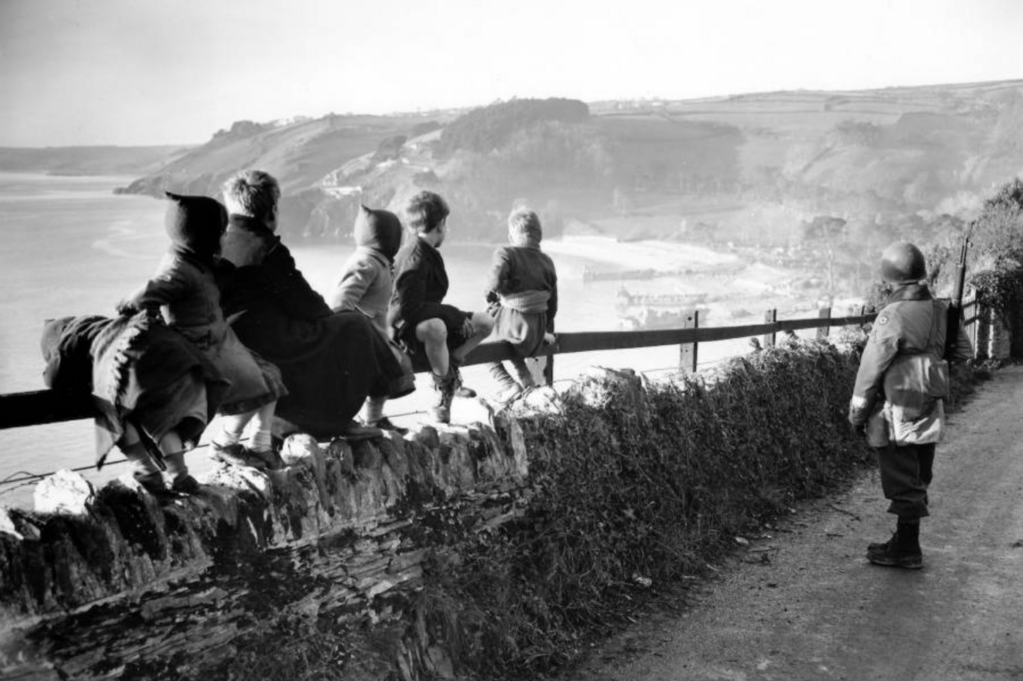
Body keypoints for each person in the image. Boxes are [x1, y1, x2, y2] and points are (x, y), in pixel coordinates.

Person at [216, 170, 411, 440]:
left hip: (236, 344)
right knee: (354, 325)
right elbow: (309, 306)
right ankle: (344, 417)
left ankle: (320, 419)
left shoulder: (217, 244)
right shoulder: (268, 249)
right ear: (272, 211)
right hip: (274, 346)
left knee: (341, 328)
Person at [120, 192, 286, 472]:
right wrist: (158, 333)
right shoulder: (178, 270)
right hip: (202, 349)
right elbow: (136, 302)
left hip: (220, 341)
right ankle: (225, 443)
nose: (224, 237)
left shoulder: (193, 260)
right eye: (220, 232)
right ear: (204, 236)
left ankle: (260, 444)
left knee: (271, 376)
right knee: (255, 386)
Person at [848, 241, 973, 569]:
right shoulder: (940, 310)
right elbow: (963, 353)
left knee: (902, 479)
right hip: (931, 407)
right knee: (917, 474)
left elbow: (870, 371)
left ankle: (907, 549)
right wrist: (935, 355)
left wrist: (857, 414)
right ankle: (904, 540)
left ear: (889, 278)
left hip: (898, 408)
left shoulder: (893, 316)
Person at [40, 311, 225, 495]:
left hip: (140, 364)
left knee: (110, 411)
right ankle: (180, 476)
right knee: (161, 423)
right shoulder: (102, 327)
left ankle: (147, 471)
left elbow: (53, 379)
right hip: (179, 361)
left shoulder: (69, 338)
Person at [388, 190, 495, 424]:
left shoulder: (427, 251)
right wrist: (453, 315)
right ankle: (443, 391)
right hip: (405, 330)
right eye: (446, 223)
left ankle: (451, 369)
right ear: (440, 224)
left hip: (427, 319)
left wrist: (453, 317)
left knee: (486, 323)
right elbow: (408, 310)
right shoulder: (415, 258)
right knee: (436, 327)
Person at [328, 205, 415, 434]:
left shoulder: (379, 262)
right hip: (362, 338)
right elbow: (340, 303)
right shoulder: (365, 263)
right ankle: (352, 419)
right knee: (374, 375)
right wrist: (360, 327)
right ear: (388, 237)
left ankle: (373, 418)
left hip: (376, 334)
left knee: (383, 376)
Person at [483, 207, 558, 403]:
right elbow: (553, 306)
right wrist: (541, 328)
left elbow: (493, 283)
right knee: (508, 336)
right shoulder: (548, 262)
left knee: (480, 339)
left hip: (515, 328)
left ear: (511, 236)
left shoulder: (506, 253)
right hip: (536, 334)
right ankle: (524, 375)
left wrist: (491, 297)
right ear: (539, 236)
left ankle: (507, 383)